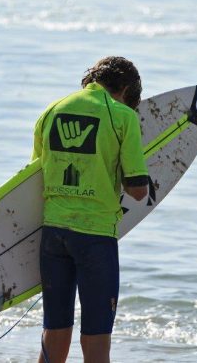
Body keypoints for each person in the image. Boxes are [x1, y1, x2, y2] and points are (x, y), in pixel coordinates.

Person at [31, 56, 149, 363]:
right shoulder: (123, 117)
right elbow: (137, 191)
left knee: (54, 331)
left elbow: (33, 177)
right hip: (95, 238)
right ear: (125, 89)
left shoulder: (52, 110)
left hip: (53, 234)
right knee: (96, 337)